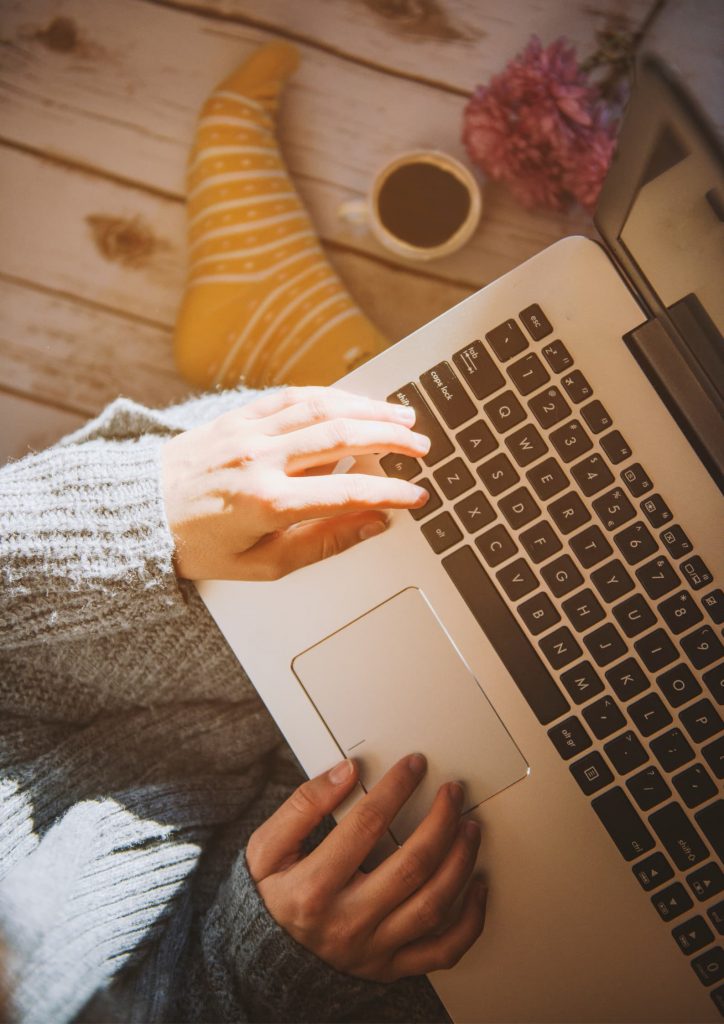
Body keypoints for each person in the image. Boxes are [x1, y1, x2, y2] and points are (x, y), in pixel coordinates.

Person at [0, 42, 487, 1024]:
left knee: (385, 498)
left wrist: (138, 513)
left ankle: (290, 344)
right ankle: (299, 345)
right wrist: (263, 965)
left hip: (80, 659)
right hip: (269, 860)